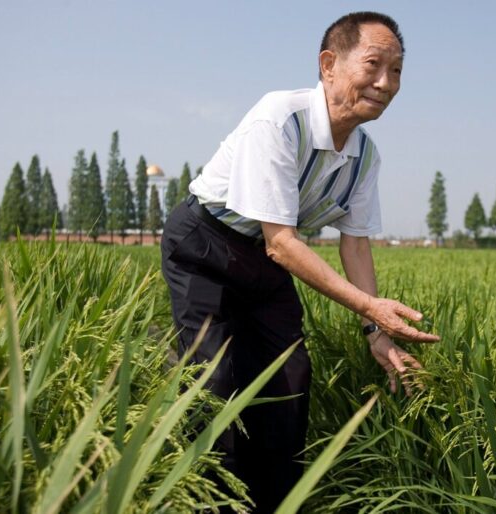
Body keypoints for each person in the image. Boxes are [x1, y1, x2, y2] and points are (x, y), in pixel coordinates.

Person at [161, 11, 439, 513]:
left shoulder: (365, 156)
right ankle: (210, 500)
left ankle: (275, 502)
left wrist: (375, 331)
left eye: (397, 70)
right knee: (215, 383)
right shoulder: (279, 119)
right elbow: (282, 243)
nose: (386, 83)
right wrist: (371, 308)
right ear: (329, 64)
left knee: (290, 379)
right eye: (374, 64)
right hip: (205, 244)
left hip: (265, 261)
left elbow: (353, 244)